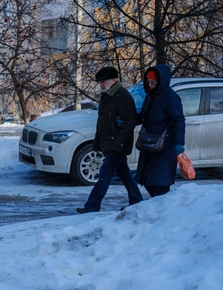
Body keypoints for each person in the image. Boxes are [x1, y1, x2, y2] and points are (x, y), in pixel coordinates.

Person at [77, 66, 143, 214]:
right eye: (100, 82)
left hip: (117, 144)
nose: (101, 84)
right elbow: (102, 122)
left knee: (105, 173)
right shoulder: (107, 96)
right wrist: (97, 143)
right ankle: (137, 200)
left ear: (114, 80)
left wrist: (119, 144)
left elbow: (129, 122)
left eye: (104, 81)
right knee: (124, 173)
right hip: (110, 143)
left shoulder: (122, 96)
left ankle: (92, 205)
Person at [135, 65, 186, 197]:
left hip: (165, 146)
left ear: (161, 82)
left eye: (153, 82)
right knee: (148, 180)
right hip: (149, 144)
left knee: (160, 184)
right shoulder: (151, 96)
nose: (150, 84)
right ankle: (157, 209)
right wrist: (127, 120)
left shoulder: (171, 97)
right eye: (148, 81)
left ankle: (162, 212)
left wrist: (179, 143)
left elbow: (178, 120)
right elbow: (143, 116)